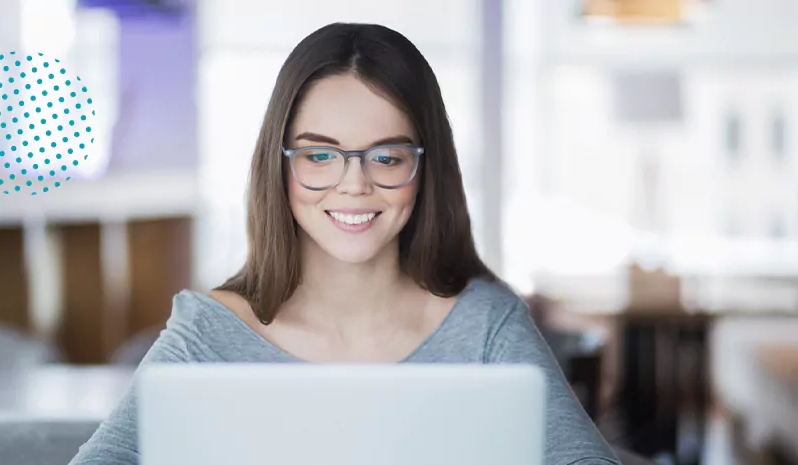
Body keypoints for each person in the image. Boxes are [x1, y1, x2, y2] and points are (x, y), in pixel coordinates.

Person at [68, 22, 620, 465]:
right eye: (320, 155)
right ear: (278, 167)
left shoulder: (485, 326)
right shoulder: (207, 332)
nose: (354, 185)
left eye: (386, 156)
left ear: (425, 169)